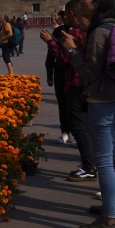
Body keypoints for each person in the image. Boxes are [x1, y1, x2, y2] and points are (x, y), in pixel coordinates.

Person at [63, 0, 115, 228]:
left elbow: (90, 73)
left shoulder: (99, 33)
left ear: (98, 4)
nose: (81, 1)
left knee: (104, 163)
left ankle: (108, 221)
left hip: (102, 102)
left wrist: (72, 50)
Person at [40, 0, 95, 181]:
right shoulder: (85, 32)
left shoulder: (75, 33)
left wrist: (50, 41)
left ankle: (89, 166)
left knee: (79, 127)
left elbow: (65, 58)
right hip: (82, 83)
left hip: (76, 83)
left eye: (65, 15)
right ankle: (89, 163)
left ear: (72, 14)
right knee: (85, 126)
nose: (64, 19)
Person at [45, 10, 73, 144]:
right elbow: (51, 53)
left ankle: (78, 133)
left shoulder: (83, 31)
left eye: (66, 14)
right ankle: (65, 131)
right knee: (62, 104)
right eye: (62, 15)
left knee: (76, 105)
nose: (64, 17)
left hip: (76, 73)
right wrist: (49, 72)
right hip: (60, 72)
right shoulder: (58, 31)